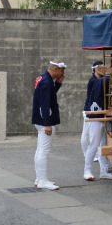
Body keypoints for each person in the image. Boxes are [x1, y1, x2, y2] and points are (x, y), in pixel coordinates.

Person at [32, 60, 66, 190]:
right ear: (55, 69)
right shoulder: (46, 82)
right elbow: (44, 105)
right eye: (62, 71)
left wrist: (58, 84)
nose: (63, 73)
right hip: (44, 121)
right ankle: (42, 180)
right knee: (43, 151)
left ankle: (39, 178)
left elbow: (49, 95)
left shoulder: (43, 78)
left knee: (40, 150)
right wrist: (47, 124)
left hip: (40, 120)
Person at [83, 61, 112, 181]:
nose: (103, 69)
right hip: (96, 116)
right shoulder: (97, 81)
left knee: (104, 145)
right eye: (100, 68)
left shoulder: (103, 80)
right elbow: (95, 98)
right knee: (93, 144)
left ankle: (104, 171)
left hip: (105, 115)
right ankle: (87, 170)